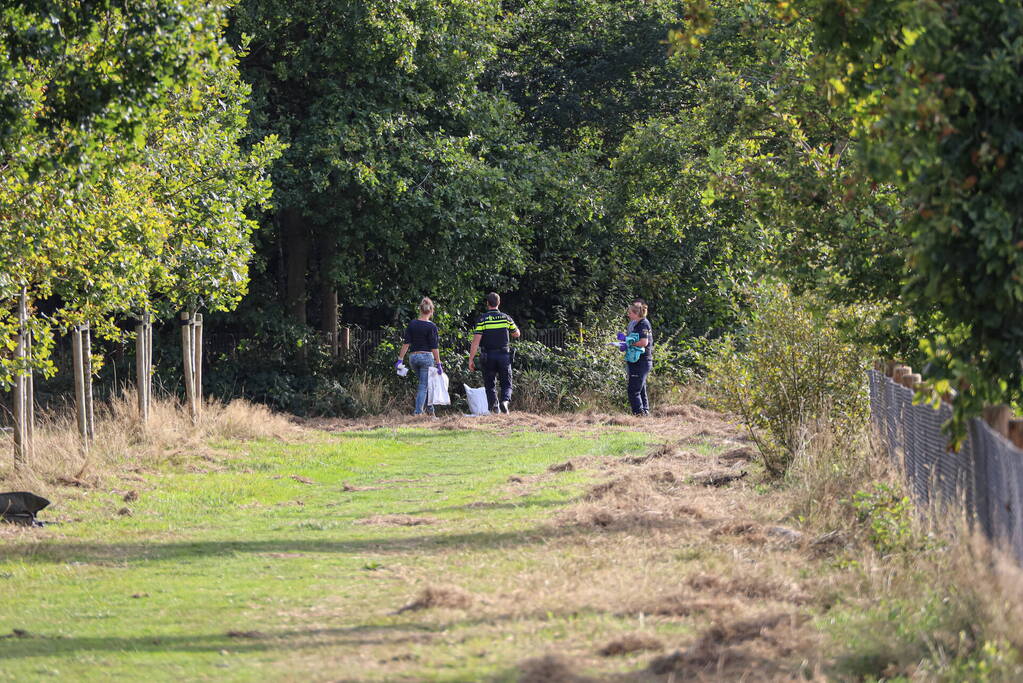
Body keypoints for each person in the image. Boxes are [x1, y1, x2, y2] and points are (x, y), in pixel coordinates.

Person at [467, 292, 520, 413]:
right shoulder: (506, 318)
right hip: (503, 355)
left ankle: (494, 408)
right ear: (499, 303)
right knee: (506, 383)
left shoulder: (482, 319)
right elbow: (517, 334)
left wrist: (471, 359)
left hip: (488, 356)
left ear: (487, 304)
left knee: (490, 384)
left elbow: (476, 342)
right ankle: (505, 402)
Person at [396, 297, 443, 415]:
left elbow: (406, 344)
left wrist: (400, 360)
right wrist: (439, 363)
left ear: (420, 310)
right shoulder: (431, 326)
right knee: (423, 386)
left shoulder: (412, 324)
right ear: (431, 311)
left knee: (425, 384)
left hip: (413, 358)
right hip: (426, 358)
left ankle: (431, 412)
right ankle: (418, 413)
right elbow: (434, 347)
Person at [624, 301, 652, 416]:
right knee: (641, 389)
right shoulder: (637, 324)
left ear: (636, 313)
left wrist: (628, 344)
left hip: (641, 361)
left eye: (630, 313)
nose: (628, 315)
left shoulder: (643, 324)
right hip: (638, 361)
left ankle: (639, 414)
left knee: (633, 390)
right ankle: (645, 412)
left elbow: (644, 342)